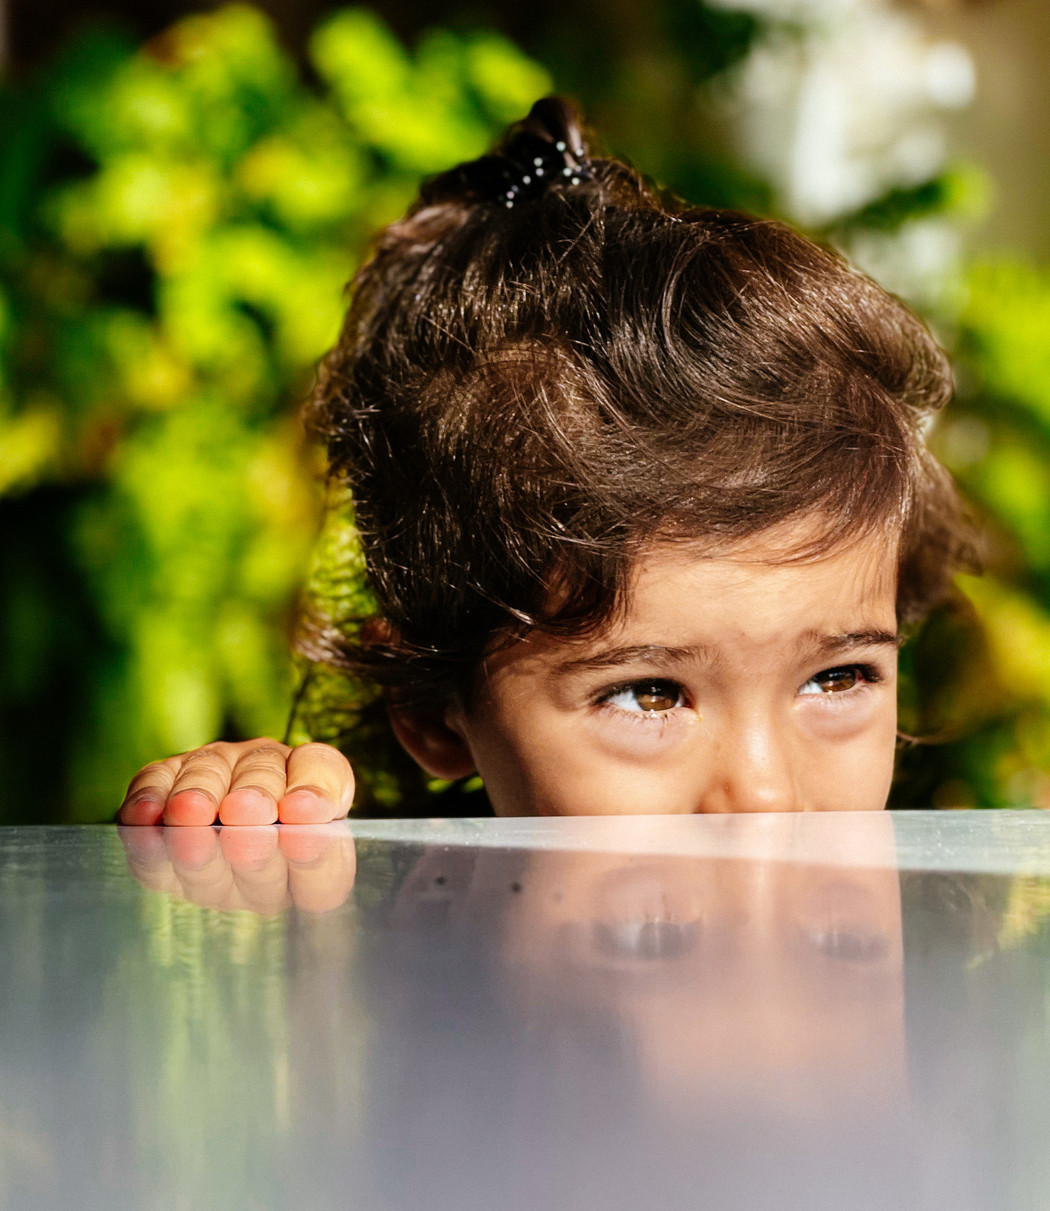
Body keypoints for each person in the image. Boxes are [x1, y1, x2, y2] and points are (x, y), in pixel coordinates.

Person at [117, 96, 977, 826]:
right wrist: (263, 857)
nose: (763, 798)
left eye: (838, 677)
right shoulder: (405, 970)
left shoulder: (899, 986)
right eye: (649, 693)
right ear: (435, 715)